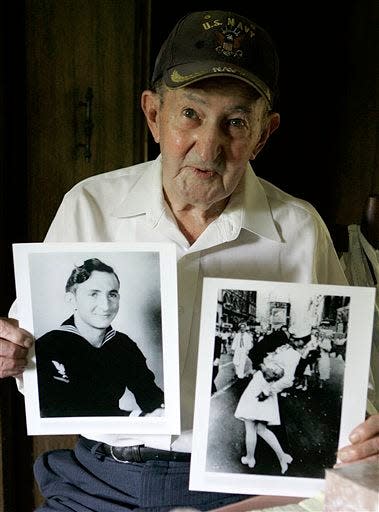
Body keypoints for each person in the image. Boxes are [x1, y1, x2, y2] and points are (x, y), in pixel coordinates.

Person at [0, 9, 378, 511]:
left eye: (236, 122)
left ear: (265, 134)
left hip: (238, 487)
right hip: (101, 479)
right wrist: (10, 353)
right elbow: (30, 359)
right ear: (154, 115)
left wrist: (365, 427)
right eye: (190, 114)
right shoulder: (89, 205)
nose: (209, 146)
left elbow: (360, 389)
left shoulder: (299, 229)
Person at [35, 257, 165, 417]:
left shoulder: (123, 346)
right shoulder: (46, 346)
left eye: (112, 294)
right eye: (93, 294)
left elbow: (150, 396)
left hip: (119, 437)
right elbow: (59, 412)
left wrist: (161, 412)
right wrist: (136, 417)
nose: (105, 305)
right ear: (71, 300)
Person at [234, 361, 293, 474]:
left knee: (250, 428)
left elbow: (271, 373)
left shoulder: (280, 355)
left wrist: (261, 366)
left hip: (258, 391)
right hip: (266, 392)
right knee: (262, 430)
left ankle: (250, 458)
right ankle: (282, 456)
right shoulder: (289, 355)